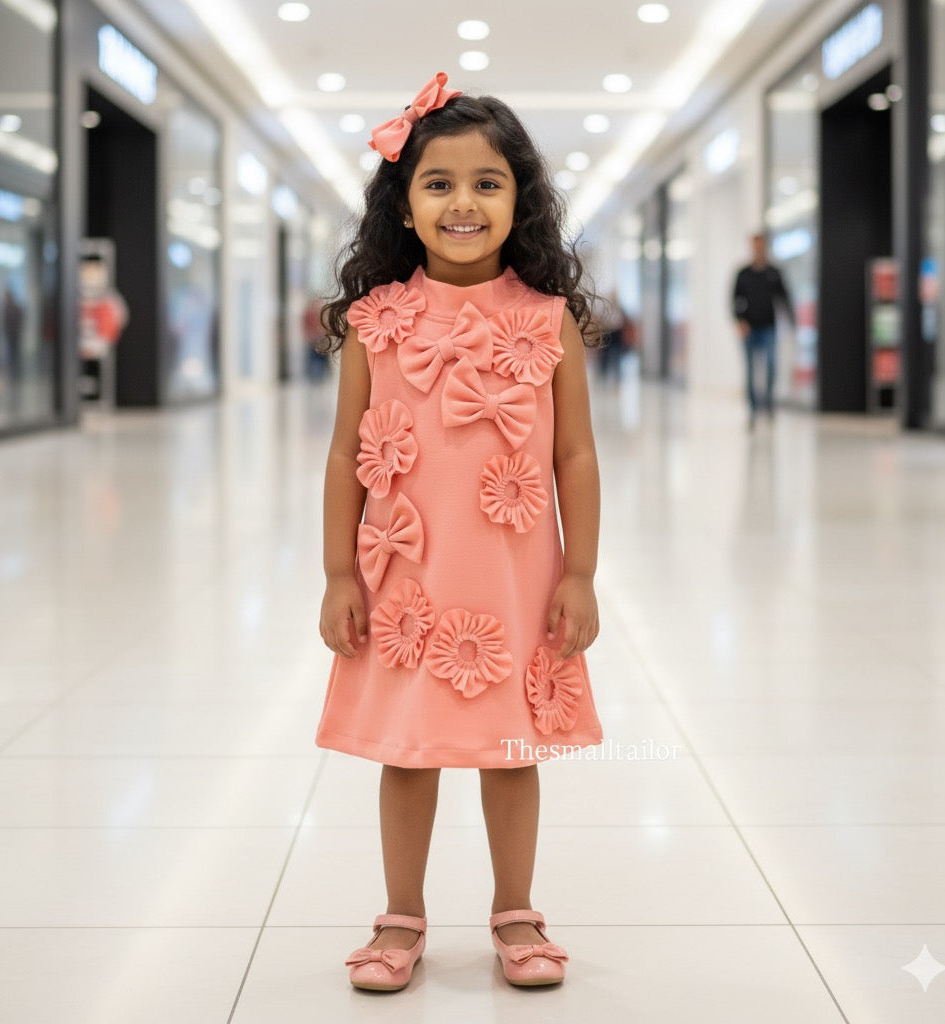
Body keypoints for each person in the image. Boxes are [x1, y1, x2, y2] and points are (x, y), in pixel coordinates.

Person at [316, 72, 603, 993]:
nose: (464, 202)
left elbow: (576, 460)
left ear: (520, 200)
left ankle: (515, 910)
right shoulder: (378, 324)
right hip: (406, 579)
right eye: (439, 182)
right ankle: (402, 915)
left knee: (509, 748)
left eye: (488, 181)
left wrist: (581, 574)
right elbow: (341, 459)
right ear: (404, 205)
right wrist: (336, 575)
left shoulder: (546, 321)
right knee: (409, 747)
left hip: (513, 579)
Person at [732, 231, 793, 428]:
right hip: (749, 328)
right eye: (755, 245)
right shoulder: (743, 274)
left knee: (771, 367)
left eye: (761, 245)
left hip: (769, 327)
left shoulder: (773, 273)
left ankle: (768, 404)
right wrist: (739, 321)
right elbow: (735, 300)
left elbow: (784, 297)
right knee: (750, 370)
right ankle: (752, 408)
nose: (758, 249)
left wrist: (792, 320)